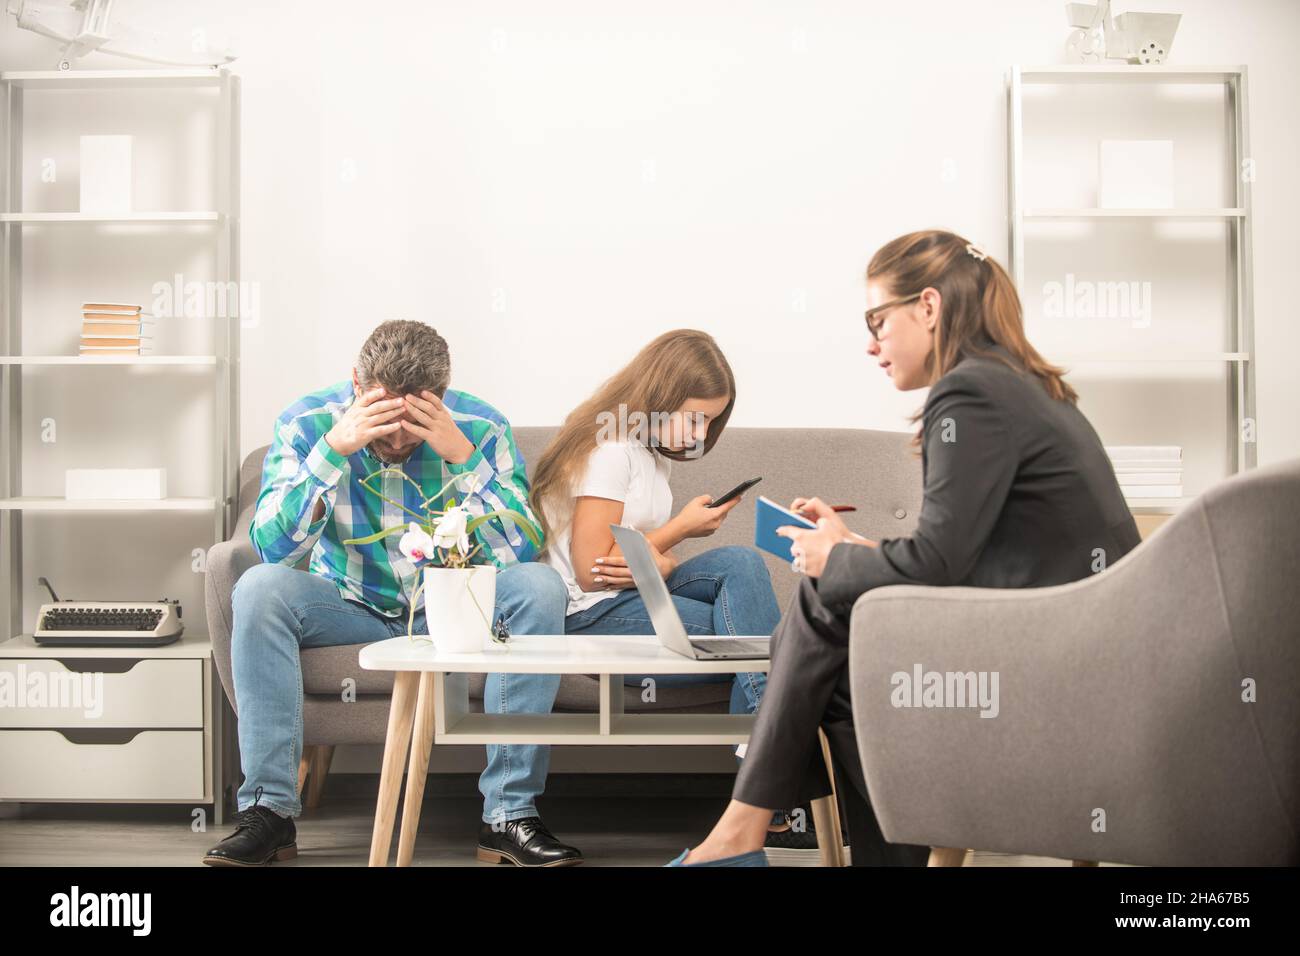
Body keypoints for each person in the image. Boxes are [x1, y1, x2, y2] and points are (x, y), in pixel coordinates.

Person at [669, 230, 1142, 866]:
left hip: (1044, 658)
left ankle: (740, 834)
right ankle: (761, 835)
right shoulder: (1019, 385)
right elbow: (964, 556)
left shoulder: (969, 393)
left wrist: (838, 560)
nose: (871, 344)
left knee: (818, 609)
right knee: (829, 637)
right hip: (1075, 642)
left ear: (928, 307)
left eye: (877, 320)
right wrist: (854, 548)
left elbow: (941, 564)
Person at [203, 319, 583, 867]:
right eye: (385, 418)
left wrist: (464, 459)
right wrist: (333, 452)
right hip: (349, 606)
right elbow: (273, 551)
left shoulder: (480, 427)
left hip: (451, 610)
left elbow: (522, 547)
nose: (399, 440)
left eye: (413, 422)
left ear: (441, 397)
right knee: (258, 589)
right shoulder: (307, 423)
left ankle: (508, 815)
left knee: (541, 586)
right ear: (357, 384)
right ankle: (270, 814)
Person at [527, 330, 805, 841]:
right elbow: (593, 572)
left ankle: (764, 778)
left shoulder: (647, 451)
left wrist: (658, 556)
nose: (700, 432)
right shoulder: (611, 450)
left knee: (742, 562)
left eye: (711, 421)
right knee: (757, 637)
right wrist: (677, 531)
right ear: (659, 397)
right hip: (590, 612)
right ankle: (773, 789)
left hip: (634, 592)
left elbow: (634, 557)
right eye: (695, 417)